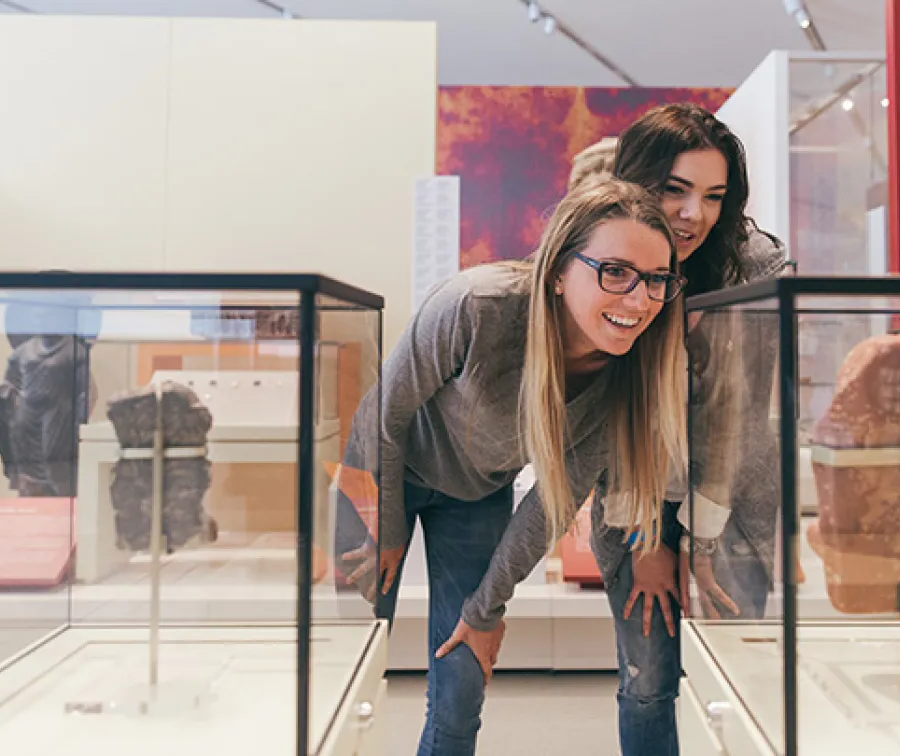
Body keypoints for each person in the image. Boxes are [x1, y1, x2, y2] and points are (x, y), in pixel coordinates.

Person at [334, 177, 690, 756]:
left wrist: (486, 609)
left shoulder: (628, 373)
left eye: (656, 280)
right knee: (346, 666)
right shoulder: (476, 305)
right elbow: (382, 417)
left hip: (475, 496)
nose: (638, 300)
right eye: (615, 272)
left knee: (461, 687)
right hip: (380, 475)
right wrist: (388, 528)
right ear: (558, 271)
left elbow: (551, 505)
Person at [575, 103, 791, 756]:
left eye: (714, 196)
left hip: (734, 495)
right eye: (675, 190)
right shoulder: (606, 250)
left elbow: (739, 410)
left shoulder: (753, 265)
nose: (695, 214)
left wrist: (701, 541)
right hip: (631, 496)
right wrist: (646, 540)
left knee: (732, 673)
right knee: (648, 680)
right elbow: (607, 402)